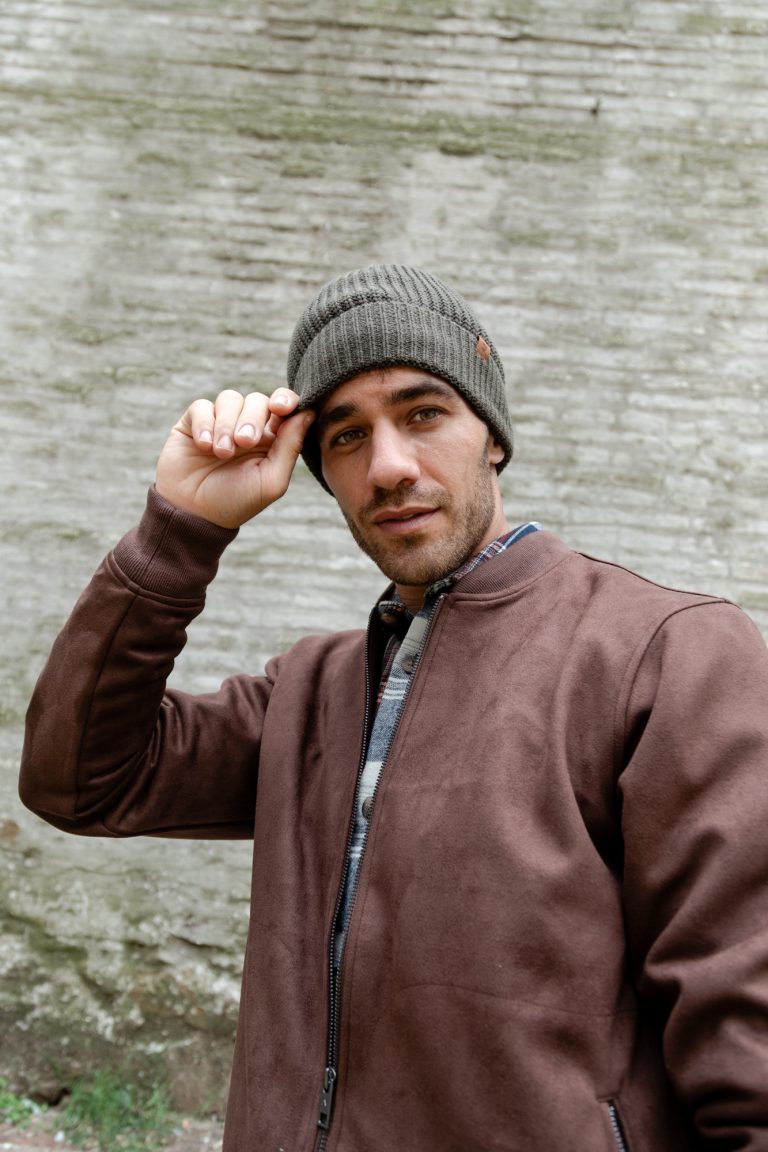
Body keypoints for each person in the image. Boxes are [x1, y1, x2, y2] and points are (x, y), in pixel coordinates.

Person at [19, 265, 768, 1151]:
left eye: (424, 413)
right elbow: (81, 781)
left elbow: (746, 1035)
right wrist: (180, 530)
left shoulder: (665, 653)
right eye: (345, 437)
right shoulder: (309, 693)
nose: (388, 467)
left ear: (492, 436)